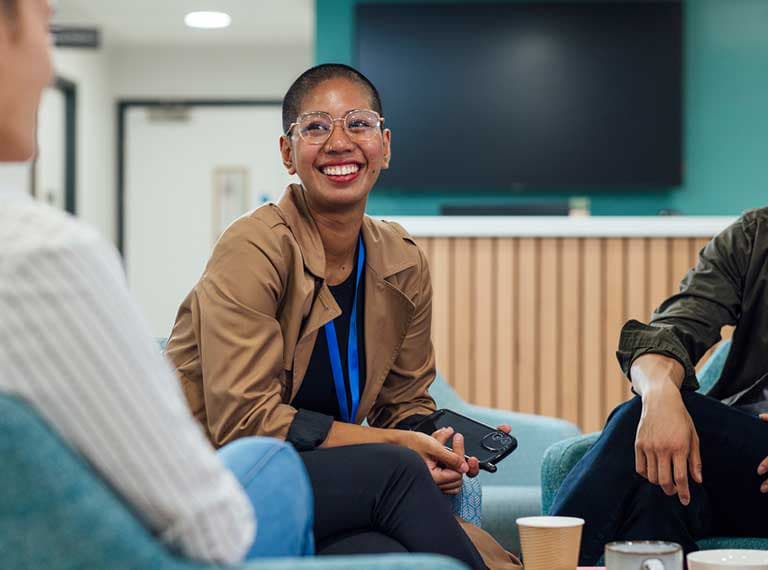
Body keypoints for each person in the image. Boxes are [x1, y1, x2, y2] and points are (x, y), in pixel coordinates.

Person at [166, 63, 520, 570]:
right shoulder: (253, 247)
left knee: (395, 551)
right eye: (315, 126)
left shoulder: (401, 258)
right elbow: (245, 424)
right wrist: (399, 444)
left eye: (358, 123)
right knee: (398, 472)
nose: (339, 142)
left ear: (385, 145)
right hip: (219, 480)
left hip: (328, 482)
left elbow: (404, 403)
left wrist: (435, 442)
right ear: (288, 153)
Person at [0, 0, 313, 563]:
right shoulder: (43, 257)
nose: (48, 69)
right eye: (44, 30)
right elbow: (213, 529)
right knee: (277, 468)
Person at [550, 207, 768, 563]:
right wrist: (658, 394)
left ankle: (548, 561)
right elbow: (671, 330)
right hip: (741, 466)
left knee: (651, 430)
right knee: (655, 486)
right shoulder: (755, 235)